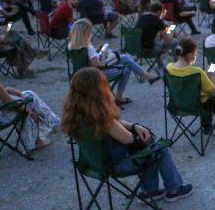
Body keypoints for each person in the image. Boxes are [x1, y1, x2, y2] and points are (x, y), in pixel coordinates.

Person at [62, 67, 193, 202]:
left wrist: (134, 126)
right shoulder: (101, 119)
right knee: (158, 149)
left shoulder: (77, 114)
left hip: (93, 164)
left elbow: (115, 123)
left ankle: (149, 191)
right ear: (98, 90)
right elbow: (128, 139)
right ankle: (174, 189)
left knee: (148, 149)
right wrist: (142, 136)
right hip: (117, 166)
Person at [68, 19, 159, 105]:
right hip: (95, 76)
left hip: (79, 75)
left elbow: (86, 61)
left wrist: (98, 51)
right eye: (89, 32)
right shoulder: (88, 47)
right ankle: (120, 96)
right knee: (126, 68)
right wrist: (103, 54)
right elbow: (97, 66)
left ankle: (145, 75)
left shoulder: (71, 46)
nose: (90, 34)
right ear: (84, 33)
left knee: (124, 58)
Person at [166, 38, 215, 136]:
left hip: (177, 105)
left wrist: (205, 76)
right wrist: (212, 76)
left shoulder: (169, 68)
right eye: (195, 53)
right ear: (190, 54)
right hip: (198, 106)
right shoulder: (196, 72)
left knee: (212, 88)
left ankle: (207, 127)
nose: (195, 55)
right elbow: (213, 92)